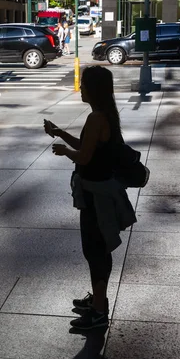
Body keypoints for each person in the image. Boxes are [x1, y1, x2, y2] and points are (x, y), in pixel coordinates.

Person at [43, 66, 136, 330]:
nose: (81, 88)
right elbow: (88, 148)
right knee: (98, 248)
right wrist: (60, 132)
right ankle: (98, 300)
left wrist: (64, 151)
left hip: (97, 195)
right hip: (99, 191)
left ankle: (98, 312)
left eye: (84, 85)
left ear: (94, 89)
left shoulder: (97, 118)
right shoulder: (104, 115)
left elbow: (84, 157)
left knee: (95, 249)